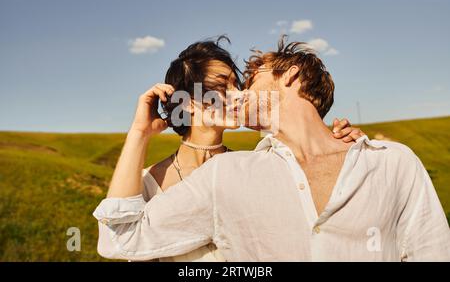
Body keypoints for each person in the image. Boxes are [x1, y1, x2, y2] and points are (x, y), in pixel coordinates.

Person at [92, 37, 442, 262]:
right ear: (192, 102)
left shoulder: (389, 163)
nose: (237, 94)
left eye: (242, 81)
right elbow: (121, 237)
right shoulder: (215, 177)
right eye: (222, 86)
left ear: (289, 76)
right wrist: (139, 133)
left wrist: (359, 153)